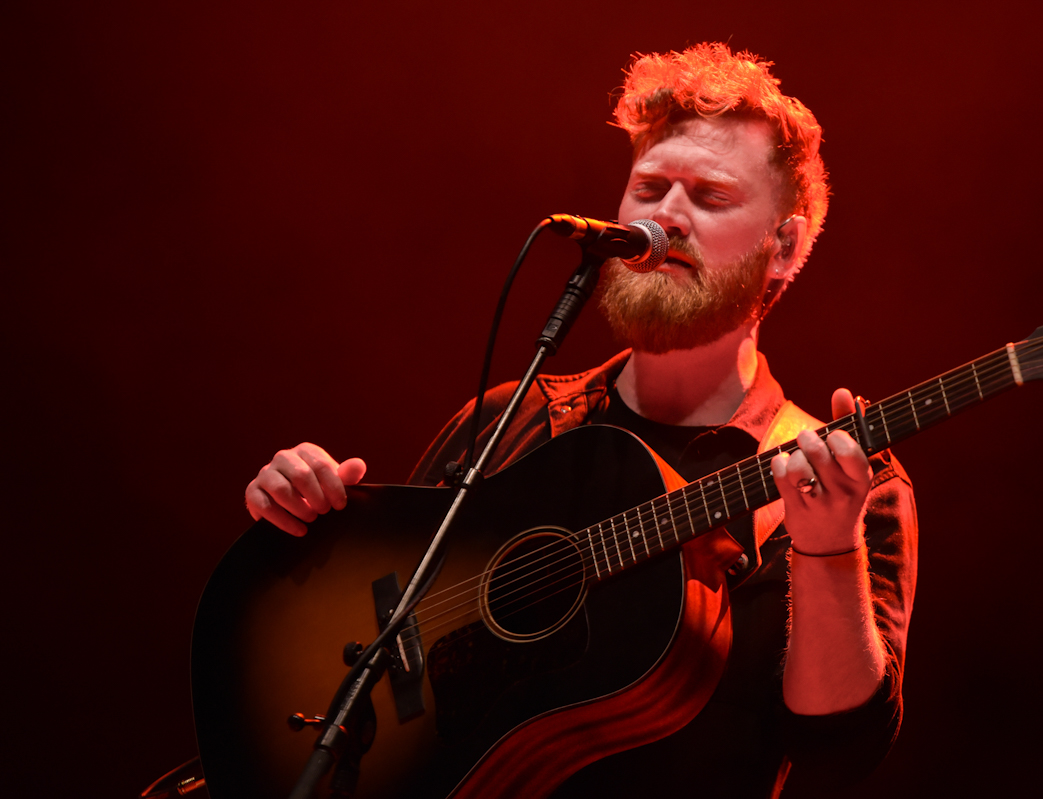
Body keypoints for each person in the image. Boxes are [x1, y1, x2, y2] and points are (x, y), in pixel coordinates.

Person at [244, 43, 917, 797]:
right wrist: (309, 521)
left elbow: (837, 750)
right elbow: (376, 613)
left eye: (710, 196)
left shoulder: (847, 482)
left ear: (784, 247)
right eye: (650, 187)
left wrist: (829, 549)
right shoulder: (511, 417)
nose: (666, 215)